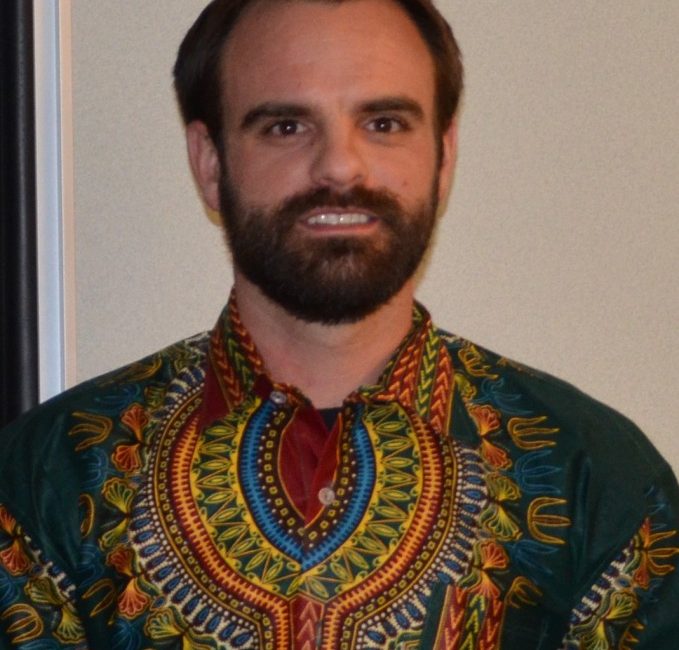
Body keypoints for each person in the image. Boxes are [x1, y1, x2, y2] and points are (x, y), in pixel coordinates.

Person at [1, 0, 677, 647]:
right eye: (285, 126)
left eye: (383, 123)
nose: (339, 165)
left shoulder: (596, 482)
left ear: (443, 158)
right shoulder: (49, 481)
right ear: (209, 163)